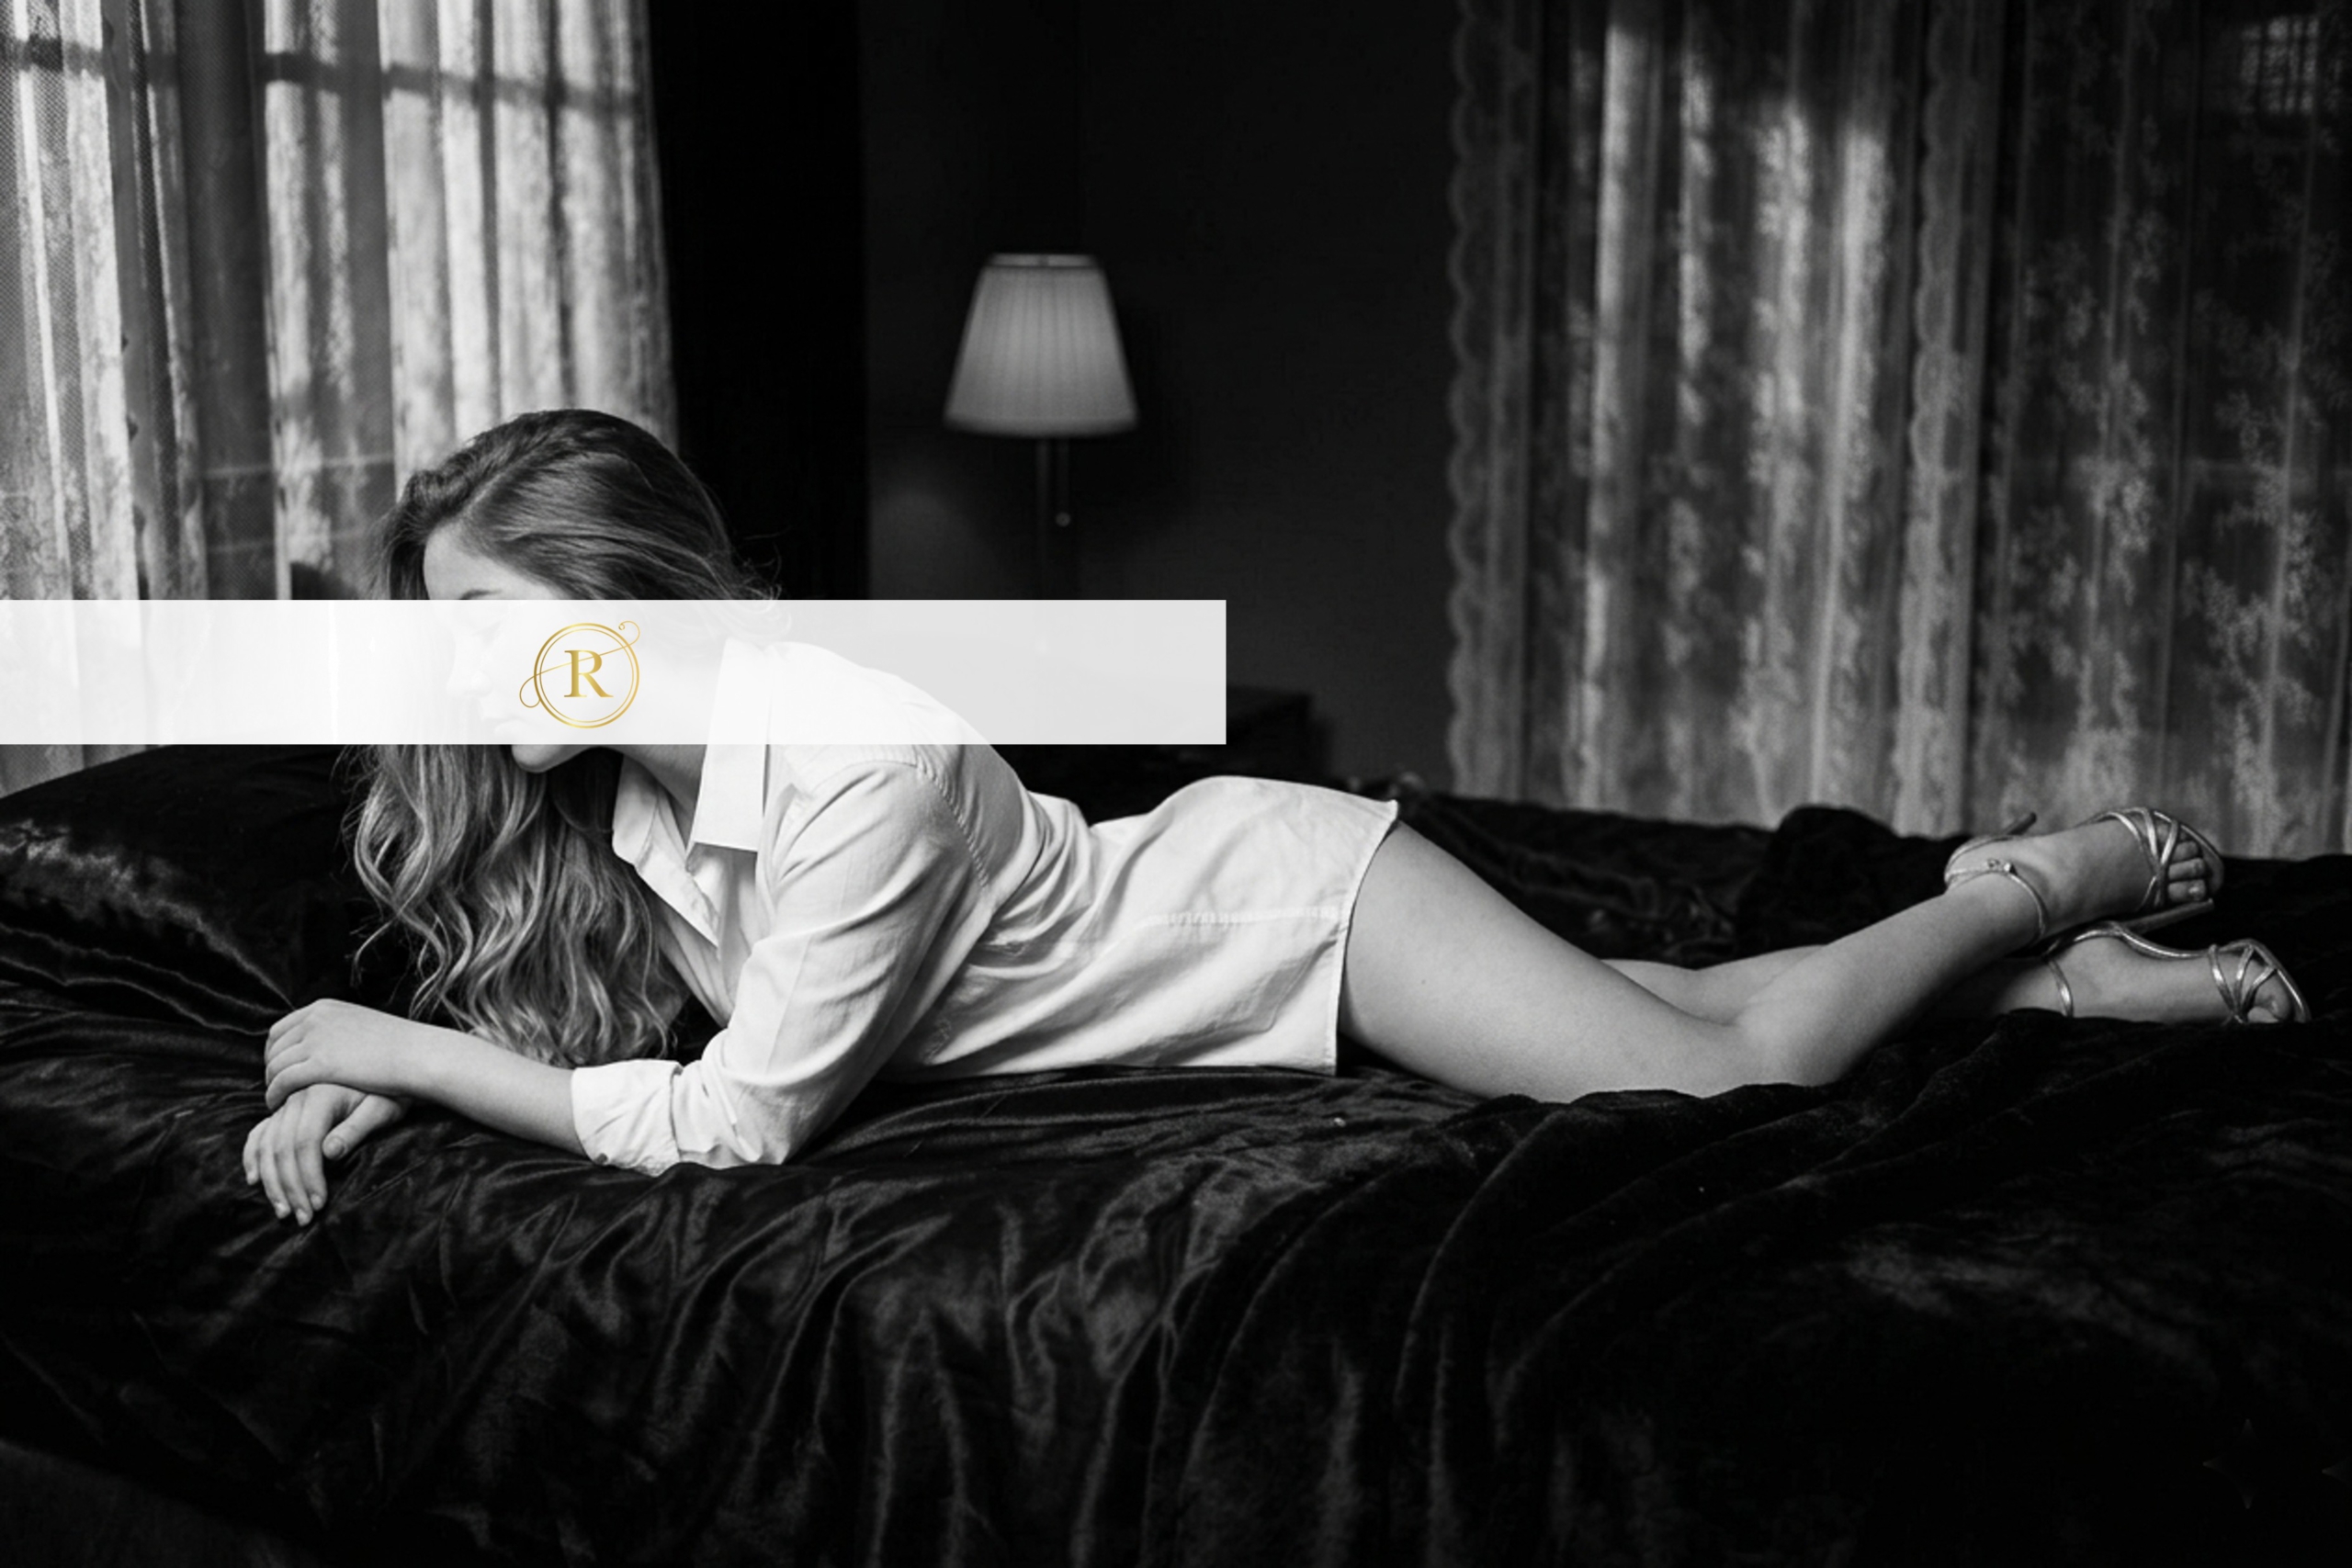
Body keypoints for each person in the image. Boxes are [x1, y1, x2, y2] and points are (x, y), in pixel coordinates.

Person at [243, 410, 2309, 1225]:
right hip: (1221, 961)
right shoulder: (625, 796)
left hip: (1284, 909)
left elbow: (741, 1120)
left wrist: (388, 1048)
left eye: (486, 631)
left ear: (624, 602)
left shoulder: (856, 755)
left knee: (1719, 1079)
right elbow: (594, 1049)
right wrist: (386, 1083)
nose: (458, 684)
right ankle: (2057, 988)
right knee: (1674, 994)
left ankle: (2035, 873)